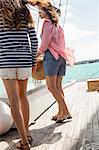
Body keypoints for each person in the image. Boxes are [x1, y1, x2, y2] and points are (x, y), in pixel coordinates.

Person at [28, 0, 75, 123]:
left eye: (40, 11)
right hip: (61, 58)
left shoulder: (47, 24)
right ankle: (61, 112)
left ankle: (66, 112)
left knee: (51, 87)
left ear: (46, 11)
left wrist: (36, 55)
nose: (38, 14)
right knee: (58, 87)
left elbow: (44, 44)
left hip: (52, 58)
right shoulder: (57, 25)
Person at [0, 0, 38, 149]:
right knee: (23, 97)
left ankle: (24, 142)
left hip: (6, 61)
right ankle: (27, 132)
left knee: (13, 101)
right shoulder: (24, 10)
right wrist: (33, 60)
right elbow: (33, 39)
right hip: (24, 60)